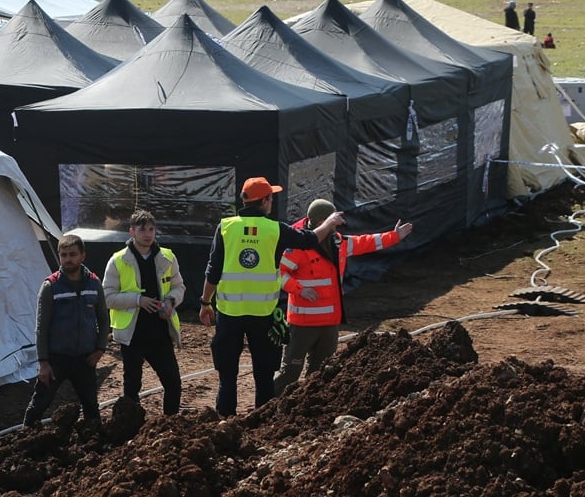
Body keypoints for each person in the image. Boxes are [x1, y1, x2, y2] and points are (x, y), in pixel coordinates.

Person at [197, 177, 346, 417]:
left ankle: (224, 421)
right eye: (271, 198)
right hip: (263, 314)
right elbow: (309, 240)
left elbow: (213, 270)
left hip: (229, 313)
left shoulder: (225, 227)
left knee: (227, 374)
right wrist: (329, 224)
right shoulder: (275, 229)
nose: (271, 202)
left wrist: (205, 303)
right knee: (264, 374)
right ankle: (263, 423)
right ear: (264, 201)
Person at [273, 200, 413, 397]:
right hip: (302, 323)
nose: (338, 225)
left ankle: (310, 409)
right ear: (323, 221)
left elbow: (366, 242)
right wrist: (298, 289)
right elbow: (279, 272)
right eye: (334, 221)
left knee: (321, 374)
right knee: (290, 373)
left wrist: (395, 236)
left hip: (329, 323)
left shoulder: (339, 243)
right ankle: (268, 408)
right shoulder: (298, 247)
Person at [103, 210, 186, 416]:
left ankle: (170, 424)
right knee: (132, 387)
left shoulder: (167, 257)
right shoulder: (118, 260)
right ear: (132, 232)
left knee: (173, 383)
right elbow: (107, 297)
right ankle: (131, 430)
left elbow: (179, 287)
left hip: (160, 333)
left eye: (151, 229)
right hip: (132, 336)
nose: (148, 234)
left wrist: (171, 301)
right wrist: (138, 300)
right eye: (142, 230)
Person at [22, 234, 111, 427]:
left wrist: (100, 349)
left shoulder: (94, 284)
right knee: (39, 404)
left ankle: (94, 444)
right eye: (64, 255)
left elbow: (104, 318)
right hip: (56, 359)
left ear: (82, 256)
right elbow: (41, 327)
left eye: (72, 254)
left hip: (85, 358)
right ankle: (24, 440)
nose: (68, 259)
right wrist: (43, 362)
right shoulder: (50, 286)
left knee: (90, 407)